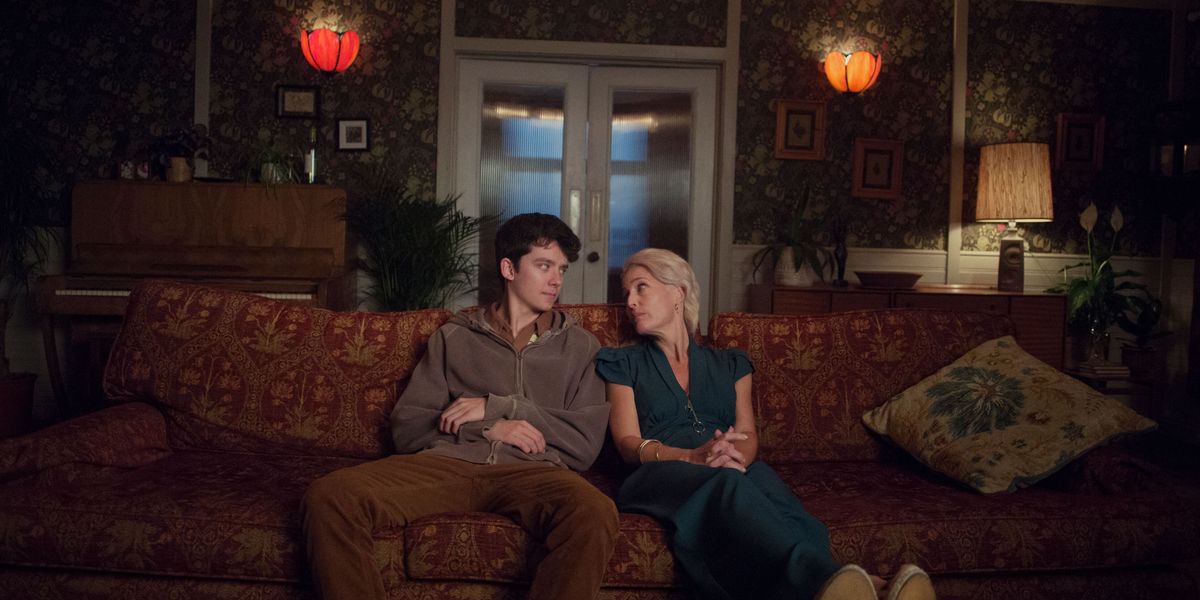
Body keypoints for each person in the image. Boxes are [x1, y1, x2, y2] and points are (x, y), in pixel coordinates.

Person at [302, 213, 618, 600]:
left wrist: (501, 407)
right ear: (509, 268)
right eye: (544, 266)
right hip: (447, 464)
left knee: (594, 511)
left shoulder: (581, 346)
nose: (556, 280)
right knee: (331, 496)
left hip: (535, 472)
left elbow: (584, 444)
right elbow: (408, 428)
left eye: (562, 269)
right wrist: (487, 428)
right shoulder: (454, 337)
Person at [595, 248, 936, 600]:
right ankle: (857, 584)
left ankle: (852, 590)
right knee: (727, 483)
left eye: (641, 287)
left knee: (774, 494)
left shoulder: (731, 364)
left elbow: (747, 433)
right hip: (657, 473)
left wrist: (731, 458)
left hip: (726, 466)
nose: (630, 302)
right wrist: (690, 457)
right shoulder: (622, 363)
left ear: (678, 292)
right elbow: (627, 442)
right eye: (627, 293)